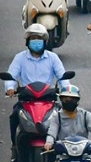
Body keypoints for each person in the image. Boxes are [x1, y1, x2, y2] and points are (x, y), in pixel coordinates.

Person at [4, 24, 66, 153]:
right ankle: (15, 147)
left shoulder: (53, 58)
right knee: (14, 115)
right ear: (27, 41)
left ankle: (65, 148)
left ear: (44, 41)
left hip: (48, 100)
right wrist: (10, 88)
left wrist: (66, 89)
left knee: (63, 117)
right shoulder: (20, 58)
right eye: (33, 38)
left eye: (39, 38)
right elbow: (12, 75)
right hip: (27, 100)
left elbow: (63, 76)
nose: (36, 41)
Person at [45, 81, 91, 152]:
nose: (69, 102)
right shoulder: (57, 117)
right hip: (63, 155)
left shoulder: (86, 115)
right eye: (66, 99)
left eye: (72, 99)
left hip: (84, 154)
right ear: (61, 100)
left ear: (77, 101)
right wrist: (49, 143)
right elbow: (52, 133)